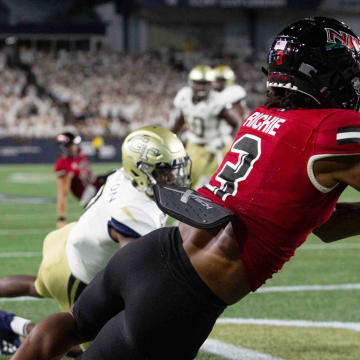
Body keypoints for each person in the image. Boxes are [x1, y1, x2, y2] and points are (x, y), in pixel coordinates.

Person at [12, 16, 360, 360]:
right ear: (327, 76)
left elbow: (322, 224)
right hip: (183, 294)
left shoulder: (260, 116)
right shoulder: (333, 129)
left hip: (152, 251)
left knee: (71, 323)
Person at [0, 126, 190, 356]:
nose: (174, 176)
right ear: (142, 171)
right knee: (84, 348)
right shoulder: (134, 210)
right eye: (165, 170)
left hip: (69, 244)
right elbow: (134, 275)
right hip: (78, 275)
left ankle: (10, 323)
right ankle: (22, 327)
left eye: (177, 167)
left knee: (36, 286)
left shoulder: (126, 175)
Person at [170, 64, 243, 188]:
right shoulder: (184, 96)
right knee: (187, 181)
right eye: (198, 83)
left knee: (219, 183)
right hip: (194, 145)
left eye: (205, 83)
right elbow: (180, 120)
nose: (201, 87)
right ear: (191, 83)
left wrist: (227, 140)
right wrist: (171, 137)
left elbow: (236, 123)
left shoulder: (218, 100)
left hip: (217, 146)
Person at [54, 132, 112, 228]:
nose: (76, 146)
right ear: (66, 147)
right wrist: (61, 218)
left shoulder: (80, 154)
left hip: (96, 183)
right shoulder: (62, 164)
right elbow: (62, 193)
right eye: (73, 144)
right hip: (88, 194)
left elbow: (88, 173)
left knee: (117, 174)